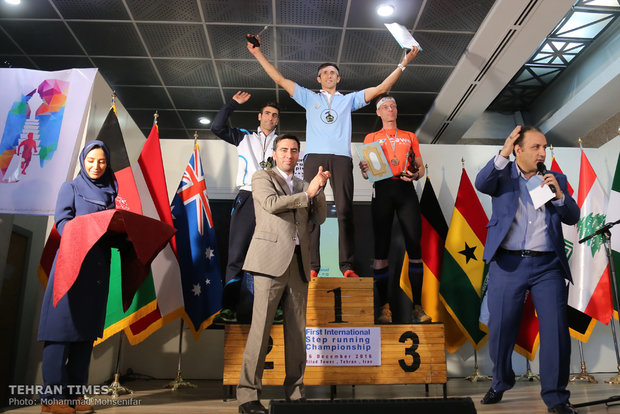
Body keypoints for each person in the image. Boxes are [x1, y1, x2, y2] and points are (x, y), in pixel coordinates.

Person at [246, 35, 419, 278]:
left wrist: (403, 62)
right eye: (325, 73)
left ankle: (347, 266)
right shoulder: (309, 97)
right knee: (309, 207)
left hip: (341, 158)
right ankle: (313, 265)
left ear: (338, 78)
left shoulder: (348, 100)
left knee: (346, 210)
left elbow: (381, 89)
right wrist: (256, 53)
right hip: (314, 157)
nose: (329, 75)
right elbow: (279, 79)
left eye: (333, 73)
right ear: (319, 79)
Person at [475, 126, 580, 414]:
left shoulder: (555, 178)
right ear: (518, 150)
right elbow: (481, 183)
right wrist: (504, 149)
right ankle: (500, 380)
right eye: (536, 147)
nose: (543, 153)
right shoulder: (502, 175)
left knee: (556, 330)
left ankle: (556, 397)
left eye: (545, 147)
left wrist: (559, 195)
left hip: (547, 266)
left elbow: (572, 216)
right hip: (508, 263)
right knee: (500, 329)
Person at [237, 135, 328, 414]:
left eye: (294, 150)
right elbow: (272, 204)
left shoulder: (303, 185)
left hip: (299, 265)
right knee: (260, 330)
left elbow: (319, 217)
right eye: (284, 150)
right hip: (269, 264)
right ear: (275, 154)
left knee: (298, 333)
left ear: (298, 155)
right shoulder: (262, 177)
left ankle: (296, 392)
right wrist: (309, 193)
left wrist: (320, 188)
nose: (289, 154)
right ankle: (248, 397)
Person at [38, 140, 118, 414]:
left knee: (85, 337)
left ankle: (74, 396)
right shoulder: (70, 187)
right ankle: (51, 398)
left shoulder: (110, 194)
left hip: (96, 272)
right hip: (71, 268)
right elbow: (62, 224)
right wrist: (92, 227)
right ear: (83, 162)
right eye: (91, 161)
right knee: (60, 335)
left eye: (102, 161)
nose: (96, 166)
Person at [358, 94, 429, 324]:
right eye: (385, 107)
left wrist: (417, 174)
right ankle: (384, 308)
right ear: (378, 113)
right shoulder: (371, 136)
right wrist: (364, 169)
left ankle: (417, 307)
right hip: (382, 188)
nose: (390, 109)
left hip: (406, 188)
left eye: (393, 106)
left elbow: (420, 166)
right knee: (381, 249)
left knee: (415, 248)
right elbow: (367, 171)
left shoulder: (409, 136)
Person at [211, 91, 280, 323]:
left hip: (272, 199)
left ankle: (276, 307)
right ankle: (229, 307)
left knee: (272, 254)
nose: (271, 118)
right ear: (259, 117)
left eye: (275, 116)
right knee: (237, 252)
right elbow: (217, 127)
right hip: (247, 196)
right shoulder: (244, 137)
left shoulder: (282, 144)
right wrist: (231, 104)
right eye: (267, 114)